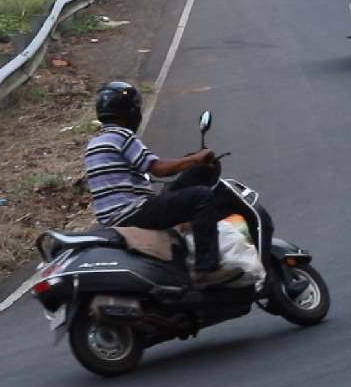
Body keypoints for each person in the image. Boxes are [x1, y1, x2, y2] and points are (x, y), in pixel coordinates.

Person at [84, 81, 243, 289]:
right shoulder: (122, 136)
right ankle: (207, 269)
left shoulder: (94, 144)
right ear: (130, 111)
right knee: (202, 197)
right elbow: (159, 169)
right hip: (133, 212)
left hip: (114, 217)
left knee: (176, 192)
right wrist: (195, 159)